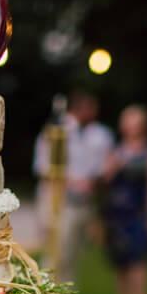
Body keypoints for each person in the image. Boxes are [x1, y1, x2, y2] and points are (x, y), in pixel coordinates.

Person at [33, 91, 113, 283]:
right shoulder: (57, 129)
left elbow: (106, 162)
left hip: (85, 201)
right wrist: (72, 181)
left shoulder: (100, 134)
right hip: (59, 200)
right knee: (55, 251)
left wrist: (97, 179)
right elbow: (43, 165)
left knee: (74, 252)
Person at [103, 105, 147, 294]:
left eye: (134, 120)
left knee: (138, 259)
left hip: (138, 212)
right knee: (120, 260)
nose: (129, 125)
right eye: (127, 120)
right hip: (118, 212)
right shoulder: (117, 151)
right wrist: (116, 165)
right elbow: (105, 179)